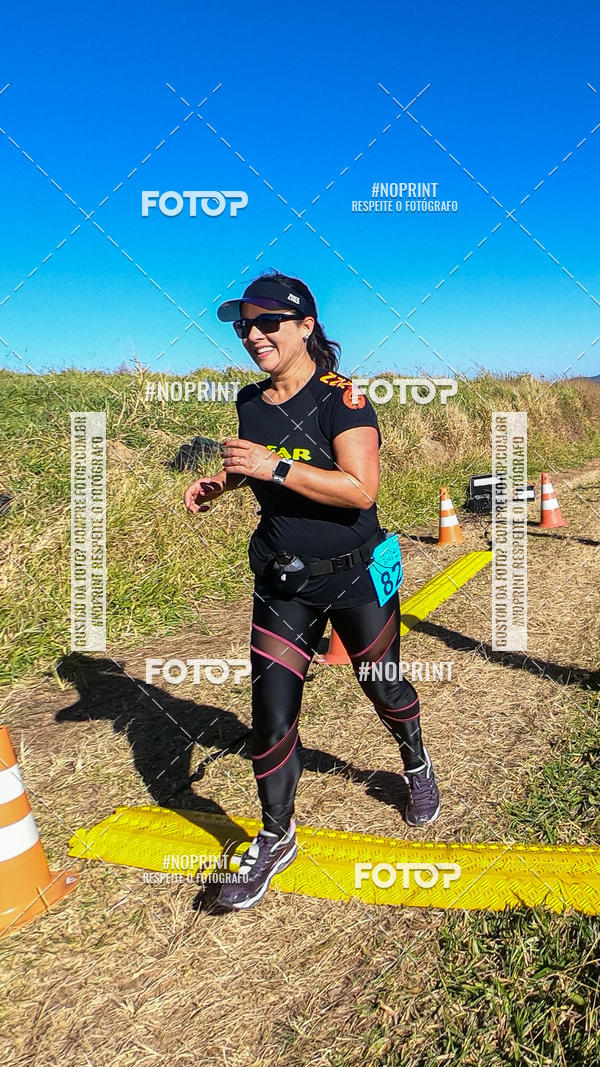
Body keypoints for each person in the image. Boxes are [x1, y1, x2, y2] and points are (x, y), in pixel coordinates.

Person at [183, 270, 440, 911]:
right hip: (281, 579)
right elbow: (265, 469)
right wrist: (229, 482)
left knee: (382, 685)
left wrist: (274, 466)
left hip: (354, 574)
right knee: (270, 717)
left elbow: (361, 490)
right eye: (245, 324)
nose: (254, 334)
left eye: (269, 322)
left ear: (305, 327)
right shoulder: (250, 401)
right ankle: (277, 835)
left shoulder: (343, 400)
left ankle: (414, 762)